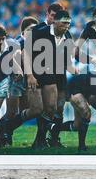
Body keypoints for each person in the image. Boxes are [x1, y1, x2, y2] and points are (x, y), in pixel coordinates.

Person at [24, 9, 76, 149]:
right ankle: (39, 140)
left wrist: (73, 68)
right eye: (63, 23)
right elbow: (26, 53)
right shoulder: (40, 32)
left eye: (68, 24)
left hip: (60, 74)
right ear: (54, 21)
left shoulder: (68, 36)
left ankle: (53, 140)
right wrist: (29, 75)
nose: (66, 27)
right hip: (42, 72)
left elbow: (68, 59)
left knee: (59, 108)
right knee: (49, 107)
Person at [0, 16, 43, 146]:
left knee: (23, 111)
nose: (33, 31)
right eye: (30, 29)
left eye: (35, 29)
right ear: (23, 32)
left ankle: (6, 132)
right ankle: (3, 135)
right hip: (14, 80)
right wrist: (17, 69)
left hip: (25, 80)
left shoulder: (35, 44)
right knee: (12, 112)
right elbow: (11, 57)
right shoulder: (18, 42)